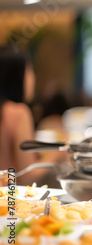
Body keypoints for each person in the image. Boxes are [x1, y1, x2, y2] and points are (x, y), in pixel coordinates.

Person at [0, 47, 64, 186]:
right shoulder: (18, 112)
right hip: (9, 199)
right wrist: (60, 152)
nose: (33, 78)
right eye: (29, 71)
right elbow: (28, 176)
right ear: (17, 75)